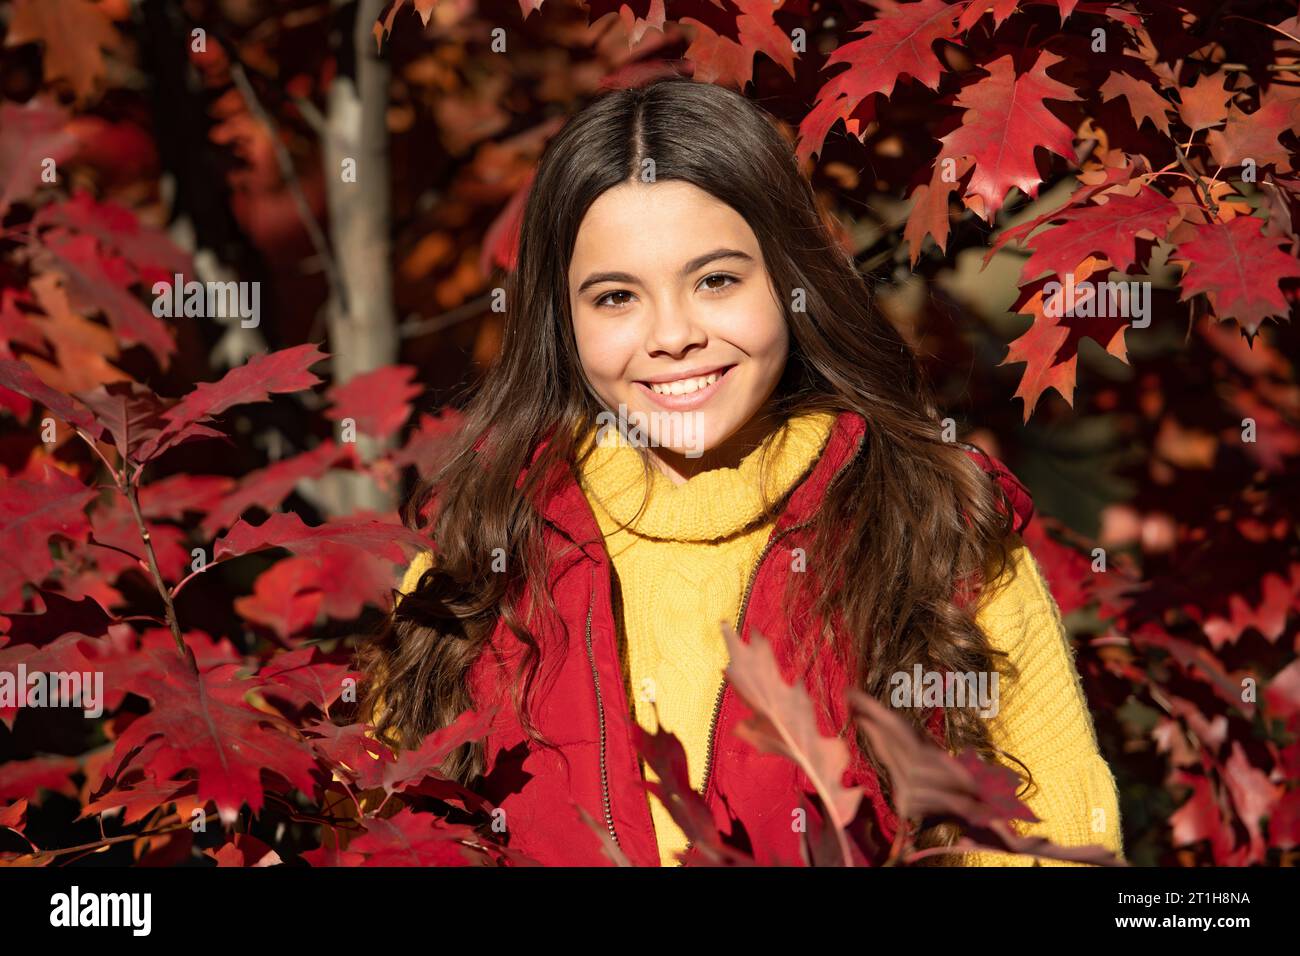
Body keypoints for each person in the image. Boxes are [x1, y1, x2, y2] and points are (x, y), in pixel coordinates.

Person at [360, 75, 1124, 868]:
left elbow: (1054, 838)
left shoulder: (930, 525)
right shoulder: (482, 549)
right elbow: (384, 828)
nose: (672, 335)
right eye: (617, 297)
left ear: (790, 282)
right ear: (564, 319)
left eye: (716, 280)